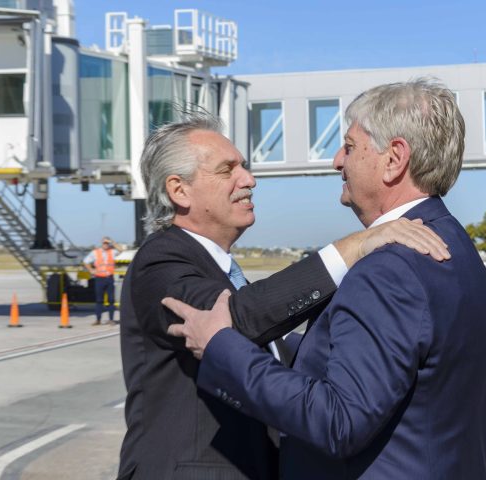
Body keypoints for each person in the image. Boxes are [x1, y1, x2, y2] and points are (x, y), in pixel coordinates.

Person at [165, 79, 486, 478]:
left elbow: (339, 421)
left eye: (350, 146)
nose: (337, 160)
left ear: (394, 159)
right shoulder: (454, 243)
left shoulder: (390, 269)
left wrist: (222, 347)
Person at [116, 113, 450, 479]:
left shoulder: (220, 270)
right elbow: (233, 319)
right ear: (179, 190)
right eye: (228, 170)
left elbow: (269, 345)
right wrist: (356, 246)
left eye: (244, 167)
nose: (249, 180)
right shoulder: (160, 263)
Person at [83, 236, 124, 325]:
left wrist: (112, 241)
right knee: (99, 300)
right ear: (102, 243)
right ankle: (98, 320)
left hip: (109, 278)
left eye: (107, 243)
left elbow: (121, 250)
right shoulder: (95, 252)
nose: (106, 245)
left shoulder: (112, 252)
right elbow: (85, 261)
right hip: (99, 278)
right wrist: (91, 270)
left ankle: (111, 319)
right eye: (104, 243)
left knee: (111, 300)